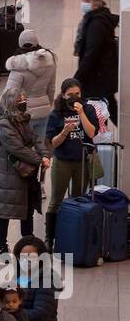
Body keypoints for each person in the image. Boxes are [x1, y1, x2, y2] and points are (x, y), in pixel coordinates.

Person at [0, 89, 48, 256]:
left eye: (24, 99)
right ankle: (1, 246)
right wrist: (39, 159)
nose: (24, 102)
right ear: (11, 103)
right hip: (9, 177)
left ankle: (27, 240)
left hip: (25, 175)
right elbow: (17, 148)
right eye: (20, 100)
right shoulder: (3, 123)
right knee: (5, 213)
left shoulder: (23, 120)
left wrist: (44, 154)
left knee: (27, 209)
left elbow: (35, 138)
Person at [44, 78, 98, 248]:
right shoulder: (56, 113)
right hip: (63, 161)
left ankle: (74, 237)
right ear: (63, 95)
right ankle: (49, 238)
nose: (74, 98)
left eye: (78, 94)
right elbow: (52, 143)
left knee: (79, 199)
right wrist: (64, 132)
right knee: (56, 200)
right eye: (70, 95)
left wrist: (81, 114)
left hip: (82, 160)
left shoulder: (88, 109)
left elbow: (91, 132)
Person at [0, 28, 57, 150]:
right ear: (36, 42)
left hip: (24, 114)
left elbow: (9, 93)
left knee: (25, 151)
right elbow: (51, 88)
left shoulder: (18, 65)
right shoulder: (50, 61)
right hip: (44, 112)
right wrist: (48, 105)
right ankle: (41, 168)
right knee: (41, 149)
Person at [74, 0, 119, 122]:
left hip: (97, 76)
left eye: (87, 1)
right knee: (109, 106)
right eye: (83, 0)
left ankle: (97, 137)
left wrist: (78, 77)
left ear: (97, 4)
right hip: (103, 74)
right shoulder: (99, 18)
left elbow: (91, 53)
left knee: (98, 111)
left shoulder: (96, 24)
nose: (84, 4)